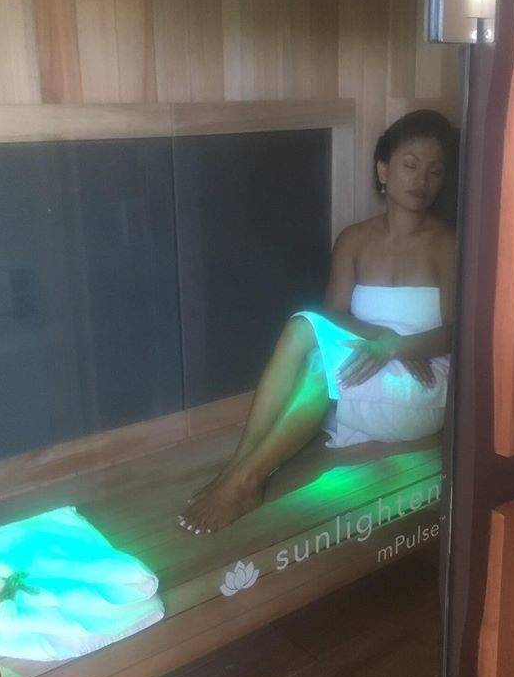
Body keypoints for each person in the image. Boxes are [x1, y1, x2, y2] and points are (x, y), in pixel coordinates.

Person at [177, 109, 458, 536]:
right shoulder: (355, 240)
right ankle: (239, 468)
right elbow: (333, 317)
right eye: (410, 165)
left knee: (321, 365)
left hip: (422, 383)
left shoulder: (447, 244)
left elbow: (457, 334)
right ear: (383, 169)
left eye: (435, 171)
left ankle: (245, 480)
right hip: (367, 357)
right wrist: (380, 336)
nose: (422, 180)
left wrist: (395, 348)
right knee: (302, 326)